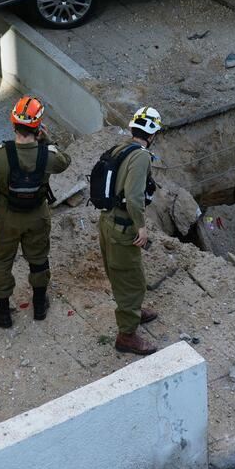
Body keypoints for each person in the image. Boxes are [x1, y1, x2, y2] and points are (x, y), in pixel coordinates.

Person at [0, 96, 71, 328]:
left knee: (1, 260)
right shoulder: (48, 155)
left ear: (13, 124)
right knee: (38, 259)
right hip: (37, 215)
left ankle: (2, 313)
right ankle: (39, 305)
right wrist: (48, 139)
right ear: (38, 127)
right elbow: (65, 161)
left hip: (6, 218)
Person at [98, 106, 163, 356]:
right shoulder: (142, 156)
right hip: (123, 226)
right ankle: (126, 336)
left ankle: (134, 312)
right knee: (132, 281)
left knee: (122, 275)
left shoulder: (121, 148)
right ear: (153, 133)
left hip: (108, 221)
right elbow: (135, 197)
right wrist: (142, 227)